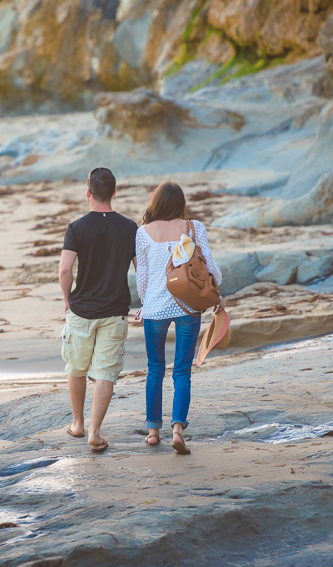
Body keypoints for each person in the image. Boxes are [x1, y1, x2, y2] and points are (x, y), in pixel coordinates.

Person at [134, 181, 222, 454]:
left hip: (155, 310)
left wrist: (145, 303)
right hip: (188, 308)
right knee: (182, 371)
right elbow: (213, 271)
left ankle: (152, 432)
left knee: (155, 369)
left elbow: (142, 278)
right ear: (181, 204)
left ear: (155, 203)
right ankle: (177, 430)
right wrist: (218, 293)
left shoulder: (142, 233)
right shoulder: (194, 228)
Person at [58, 168, 137, 453]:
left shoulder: (77, 228)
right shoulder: (130, 228)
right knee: (105, 372)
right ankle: (95, 431)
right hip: (115, 311)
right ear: (114, 192)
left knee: (76, 367)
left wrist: (67, 300)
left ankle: (77, 423)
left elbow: (65, 269)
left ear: (87, 193)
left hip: (82, 311)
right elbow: (143, 272)